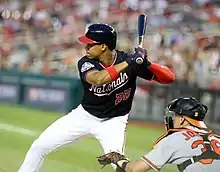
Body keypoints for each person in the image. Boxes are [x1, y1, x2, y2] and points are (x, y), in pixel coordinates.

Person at [18, 23, 174, 172]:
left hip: (113, 122)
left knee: (120, 166)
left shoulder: (129, 61)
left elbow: (168, 78)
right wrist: (130, 62)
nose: (86, 47)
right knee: (39, 147)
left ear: (103, 46)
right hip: (84, 116)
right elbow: (98, 79)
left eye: (90, 44)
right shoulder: (86, 62)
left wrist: (147, 63)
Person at [97, 97, 220, 172]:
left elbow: (135, 169)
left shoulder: (176, 138)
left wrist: (119, 160)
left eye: (175, 116)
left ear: (182, 120)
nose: (173, 119)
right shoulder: (217, 137)